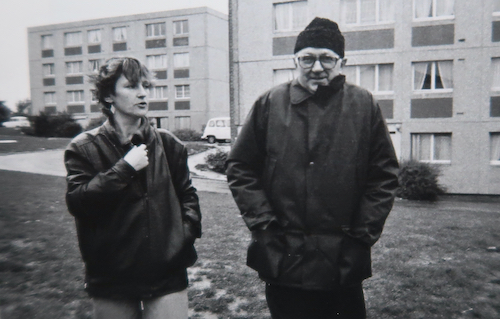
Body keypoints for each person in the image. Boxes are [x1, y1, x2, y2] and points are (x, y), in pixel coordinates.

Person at [226, 17, 399, 319]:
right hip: (285, 256)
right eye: (307, 58)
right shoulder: (269, 103)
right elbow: (240, 168)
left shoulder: (364, 105)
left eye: (327, 58)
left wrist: (362, 236)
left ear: (342, 61)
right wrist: (264, 225)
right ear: (294, 60)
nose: (317, 67)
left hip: (343, 260)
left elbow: (384, 176)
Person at [64, 57, 201, 319]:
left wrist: (181, 239)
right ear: (108, 97)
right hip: (111, 275)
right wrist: (124, 169)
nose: (142, 93)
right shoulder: (83, 147)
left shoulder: (169, 144)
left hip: (166, 272)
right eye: (131, 86)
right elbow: (79, 203)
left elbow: (188, 197)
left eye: (145, 85)